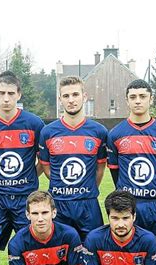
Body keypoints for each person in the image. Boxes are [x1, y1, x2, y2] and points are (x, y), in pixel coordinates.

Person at [107, 79, 156, 265]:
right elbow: (115, 172)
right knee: (127, 255)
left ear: (150, 99)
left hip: (155, 207)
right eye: (133, 97)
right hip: (128, 208)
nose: (138, 101)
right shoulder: (116, 134)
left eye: (142, 96)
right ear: (127, 101)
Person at [0, 71, 45, 250]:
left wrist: (26, 176)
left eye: (11, 93)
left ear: (19, 94)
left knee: (32, 246)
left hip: (26, 197)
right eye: (2, 93)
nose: (6, 98)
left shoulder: (35, 124)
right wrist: (5, 179)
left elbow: (43, 161)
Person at [39, 76, 107, 240]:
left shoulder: (99, 132)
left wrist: (85, 188)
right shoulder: (48, 132)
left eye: (75, 95)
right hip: (59, 204)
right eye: (66, 96)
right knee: (60, 257)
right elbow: (48, 168)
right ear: (60, 99)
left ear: (84, 96)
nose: (71, 100)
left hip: (88, 204)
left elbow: (100, 168)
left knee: (92, 254)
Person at [81, 190, 156, 265]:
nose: (120, 224)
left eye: (125, 218)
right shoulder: (94, 238)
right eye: (115, 218)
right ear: (108, 217)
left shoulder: (148, 240)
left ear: (134, 217)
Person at [4, 191, 82, 265]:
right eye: (35, 213)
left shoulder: (69, 234)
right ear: (28, 215)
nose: (40, 219)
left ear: (54, 213)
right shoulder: (17, 242)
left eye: (45, 213)